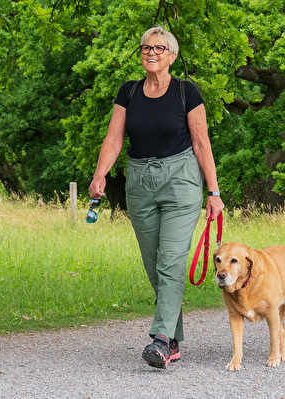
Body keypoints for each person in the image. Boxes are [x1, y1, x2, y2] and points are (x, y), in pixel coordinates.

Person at [88, 26, 224, 369]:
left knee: (172, 261)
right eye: (147, 48)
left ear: (172, 56)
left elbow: (201, 142)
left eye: (159, 48)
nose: (152, 53)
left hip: (180, 181)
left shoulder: (186, 92)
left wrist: (213, 191)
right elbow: (114, 138)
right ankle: (173, 340)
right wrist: (100, 173)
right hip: (139, 181)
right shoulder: (129, 92)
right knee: (154, 264)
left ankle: (160, 339)